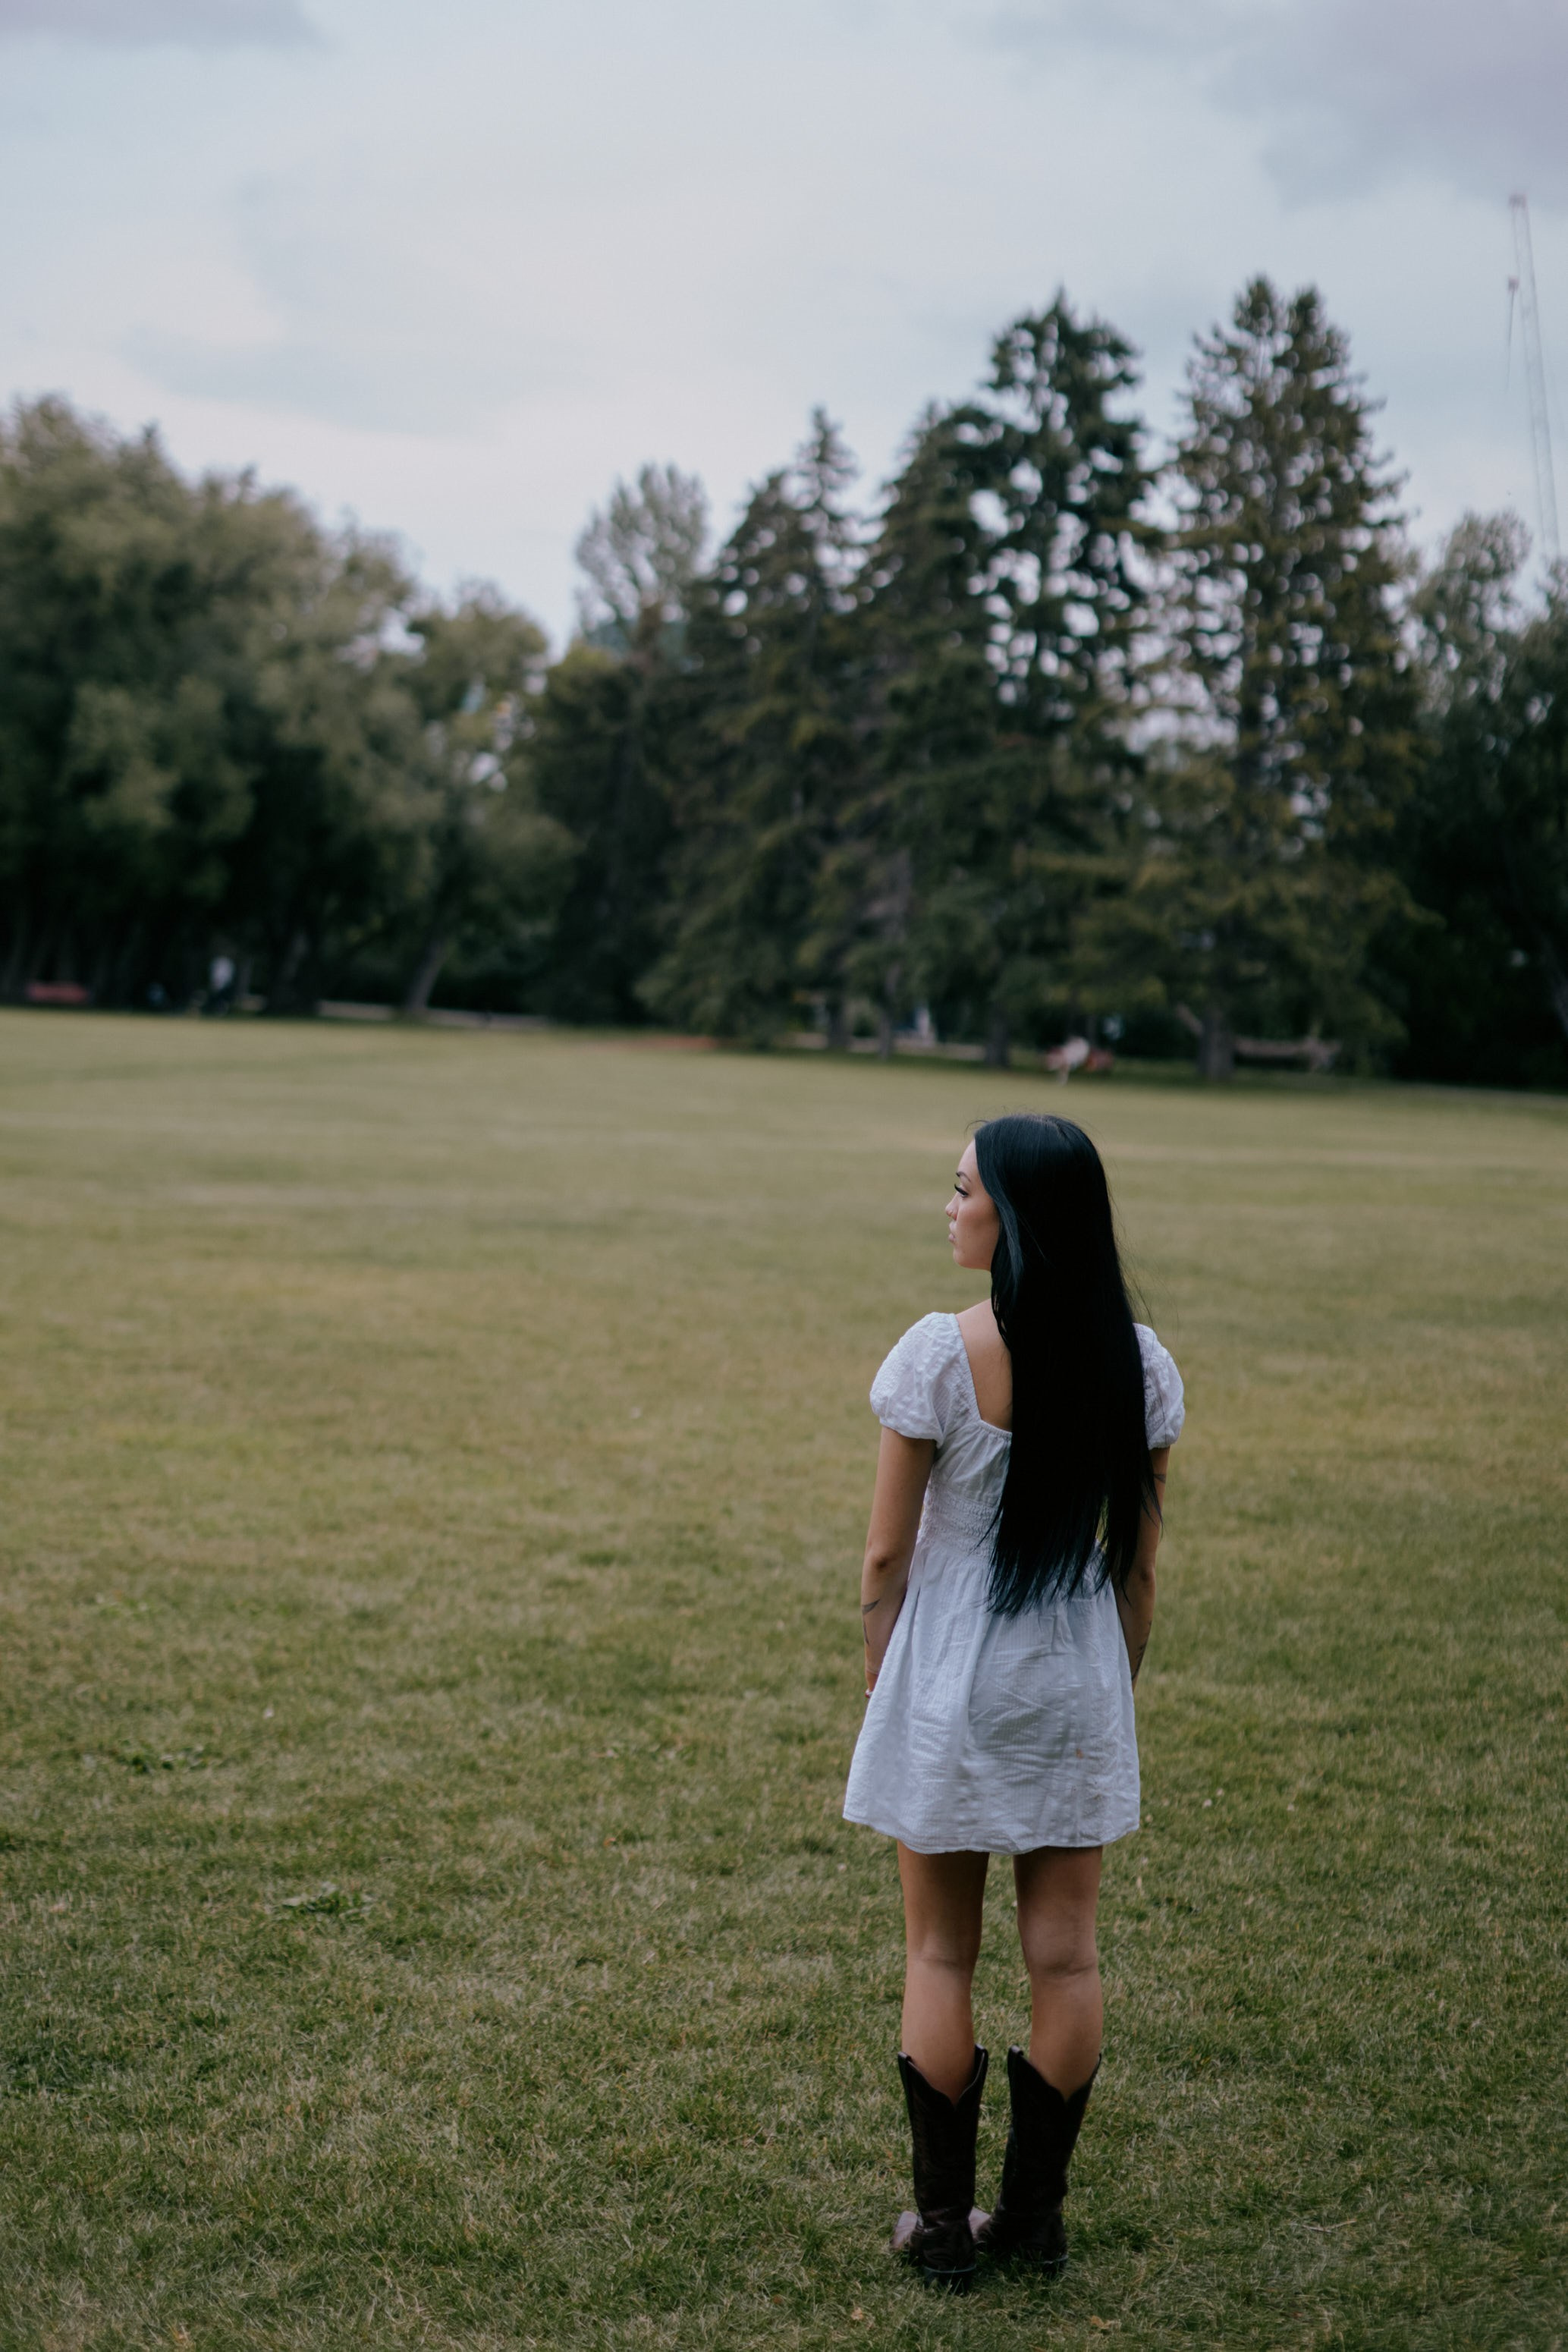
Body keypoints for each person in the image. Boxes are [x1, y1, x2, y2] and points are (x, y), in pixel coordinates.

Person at [843, 1112, 1184, 2293]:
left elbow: (887, 1558)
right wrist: (1112, 1686)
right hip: (1074, 1676)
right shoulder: (1137, 1364)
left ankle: (943, 2231)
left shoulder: (939, 1354)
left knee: (940, 1951)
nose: (948, 1209)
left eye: (961, 1192)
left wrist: (882, 1668)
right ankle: (1031, 2222)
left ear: (1015, 1219)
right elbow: (1136, 1569)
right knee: (1066, 1960)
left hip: (954, 1678)